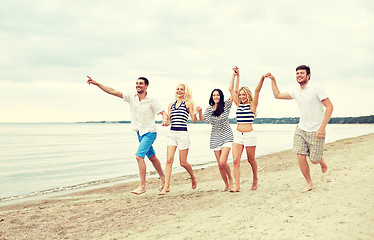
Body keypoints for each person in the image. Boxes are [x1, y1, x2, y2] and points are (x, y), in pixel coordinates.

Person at [86, 76, 169, 195]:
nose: (138, 85)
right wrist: (97, 83)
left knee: (139, 156)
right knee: (152, 157)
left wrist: (165, 120)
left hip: (150, 132)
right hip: (139, 133)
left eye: (141, 83)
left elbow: (163, 113)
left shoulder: (152, 100)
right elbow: (112, 91)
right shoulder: (131, 96)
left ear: (146, 86)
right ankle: (163, 177)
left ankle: (142, 186)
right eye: (137, 83)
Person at [267, 65, 334, 193]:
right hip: (301, 129)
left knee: (314, 160)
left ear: (308, 75)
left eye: (302, 73)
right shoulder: (296, 91)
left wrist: (322, 127)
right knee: (300, 155)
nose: (299, 75)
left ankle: (321, 161)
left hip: (316, 130)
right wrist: (273, 80)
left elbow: (330, 107)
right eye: (297, 73)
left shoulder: (316, 88)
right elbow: (277, 95)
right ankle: (309, 183)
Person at [197, 68, 236, 192]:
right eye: (214, 95)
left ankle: (230, 178)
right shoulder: (209, 109)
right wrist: (199, 112)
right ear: (212, 97)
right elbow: (205, 120)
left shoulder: (226, 105)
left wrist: (234, 76)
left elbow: (233, 91)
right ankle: (226, 184)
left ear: (221, 96)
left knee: (223, 162)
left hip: (227, 135)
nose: (216, 97)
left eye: (218, 95)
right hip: (215, 137)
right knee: (219, 164)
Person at [229, 66, 266, 192]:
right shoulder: (238, 104)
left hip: (249, 135)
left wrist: (262, 78)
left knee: (251, 160)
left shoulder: (252, 105)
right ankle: (237, 186)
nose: (241, 96)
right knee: (235, 160)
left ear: (247, 95)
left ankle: (255, 178)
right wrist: (236, 76)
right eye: (240, 94)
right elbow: (231, 89)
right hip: (238, 135)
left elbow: (257, 90)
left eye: (244, 94)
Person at [159, 84, 199, 195]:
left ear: (185, 92)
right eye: (178, 89)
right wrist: (165, 122)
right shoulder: (171, 105)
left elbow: (194, 120)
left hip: (183, 135)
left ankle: (193, 176)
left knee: (183, 162)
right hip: (172, 134)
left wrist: (196, 112)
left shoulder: (188, 104)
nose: (179, 91)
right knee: (168, 160)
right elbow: (169, 120)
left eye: (182, 89)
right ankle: (166, 186)